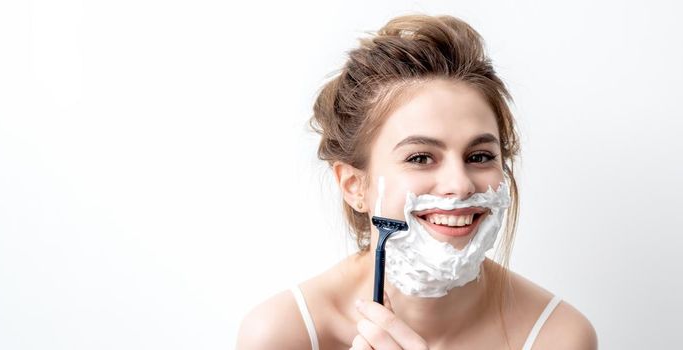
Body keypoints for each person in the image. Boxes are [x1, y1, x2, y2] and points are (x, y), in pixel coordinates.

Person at [236, 14, 597, 350]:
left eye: (479, 156)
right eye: (420, 158)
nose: (460, 184)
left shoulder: (558, 336)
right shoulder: (284, 333)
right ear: (353, 186)